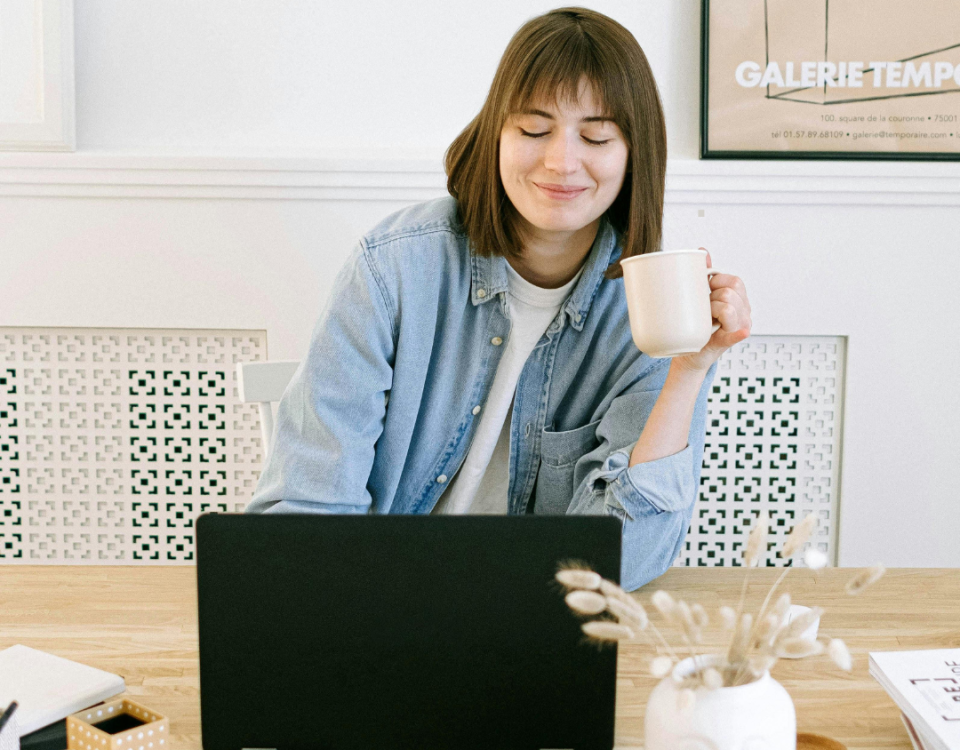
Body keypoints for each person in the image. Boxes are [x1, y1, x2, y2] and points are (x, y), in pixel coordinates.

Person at [245, 6, 752, 590]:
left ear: (634, 153)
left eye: (596, 135)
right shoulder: (394, 267)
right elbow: (307, 516)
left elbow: (621, 562)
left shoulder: (655, 307)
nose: (561, 162)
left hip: (534, 621)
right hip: (375, 599)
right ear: (495, 135)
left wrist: (688, 370)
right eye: (533, 129)